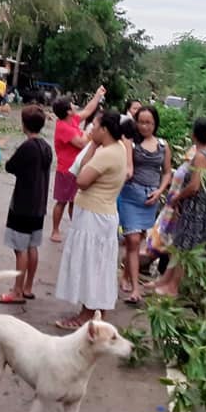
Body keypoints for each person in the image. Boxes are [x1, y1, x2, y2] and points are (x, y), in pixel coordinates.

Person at [54, 111, 128, 329]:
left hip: (94, 217)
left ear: (105, 130)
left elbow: (82, 179)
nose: (90, 130)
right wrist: (94, 145)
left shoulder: (107, 154)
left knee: (90, 264)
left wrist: (94, 148)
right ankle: (97, 311)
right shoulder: (117, 148)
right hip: (101, 214)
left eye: (94, 126)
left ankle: (86, 314)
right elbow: (82, 168)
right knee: (99, 265)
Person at [150, 118, 206, 298]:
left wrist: (177, 197)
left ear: (194, 135)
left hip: (196, 208)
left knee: (186, 248)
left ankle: (173, 286)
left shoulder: (201, 156)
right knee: (179, 244)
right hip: (200, 207)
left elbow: (194, 185)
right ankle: (164, 280)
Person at [0, 105, 52, 304]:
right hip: (39, 206)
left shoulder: (27, 147)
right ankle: (27, 287)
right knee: (32, 246)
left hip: (23, 205)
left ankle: (17, 291)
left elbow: (10, 166)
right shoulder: (46, 147)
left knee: (20, 249)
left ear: (24, 125)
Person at [118, 106, 172, 304]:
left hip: (150, 198)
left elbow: (167, 172)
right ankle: (135, 289)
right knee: (132, 240)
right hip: (131, 195)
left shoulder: (163, 145)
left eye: (149, 122)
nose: (144, 126)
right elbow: (126, 168)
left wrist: (160, 191)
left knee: (138, 239)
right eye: (141, 122)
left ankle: (126, 274)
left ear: (155, 123)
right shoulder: (130, 143)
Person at [50, 88, 105, 242]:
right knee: (62, 201)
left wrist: (97, 95)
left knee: (75, 201)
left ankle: (77, 229)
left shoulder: (72, 120)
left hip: (78, 168)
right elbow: (81, 143)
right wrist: (93, 133)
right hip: (66, 170)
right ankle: (55, 230)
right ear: (68, 111)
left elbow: (88, 111)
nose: (75, 106)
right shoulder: (63, 127)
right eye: (72, 105)